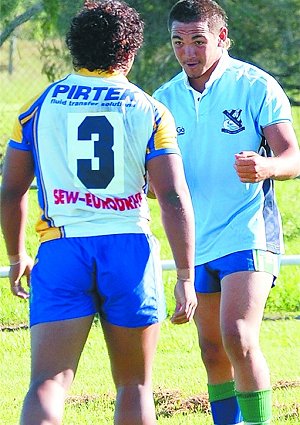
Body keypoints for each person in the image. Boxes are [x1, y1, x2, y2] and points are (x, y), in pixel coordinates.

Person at [0, 1, 198, 424]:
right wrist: (185, 277)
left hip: (62, 248)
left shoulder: (37, 107)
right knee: (134, 386)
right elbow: (174, 197)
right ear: (129, 52)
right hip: (128, 248)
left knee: (47, 384)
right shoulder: (150, 109)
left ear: (75, 48)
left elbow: (11, 190)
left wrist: (17, 258)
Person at [153, 1, 300, 424]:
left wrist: (266, 166)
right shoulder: (164, 99)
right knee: (211, 348)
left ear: (221, 39)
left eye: (199, 41)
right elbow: (155, 173)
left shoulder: (256, 85)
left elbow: (292, 156)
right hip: (195, 240)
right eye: (179, 42)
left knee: (237, 336)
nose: (188, 52)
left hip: (248, 231)